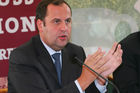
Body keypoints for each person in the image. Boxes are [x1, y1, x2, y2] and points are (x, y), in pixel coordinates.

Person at [8, 0, 122, 93]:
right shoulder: (23, 57)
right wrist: (83, 80)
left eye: (67, 21)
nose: (64, 27)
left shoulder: (76, 52)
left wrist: (99, 80)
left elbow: (85, 90)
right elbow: (80, 86)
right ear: (40, 25)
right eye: (57, 21)